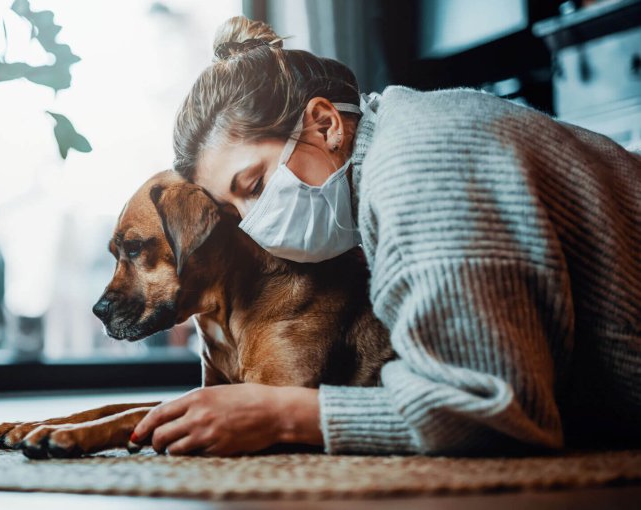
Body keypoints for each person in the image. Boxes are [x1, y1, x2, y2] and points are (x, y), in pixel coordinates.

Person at [130, 16, 641, 456]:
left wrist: (286, 413)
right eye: (233, 211)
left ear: (325, 124)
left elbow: (498, 405)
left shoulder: (414, 168)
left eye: (255, 184)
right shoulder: (400, 129)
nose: (255, 224)